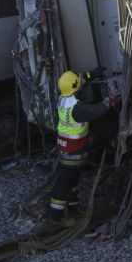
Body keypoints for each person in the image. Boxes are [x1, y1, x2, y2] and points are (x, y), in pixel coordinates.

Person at [39, 69, 116, 230]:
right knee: (64, 184)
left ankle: (73, 208)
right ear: (75, 87)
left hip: (65, 148)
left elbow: (79, 80)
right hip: (74, 152)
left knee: (71, 181)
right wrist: (109, 102)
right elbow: (95, 111)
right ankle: (55, 215)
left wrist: (90, 75)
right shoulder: (77, 108)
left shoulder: (63, 99)